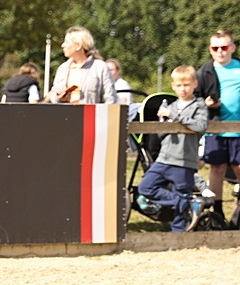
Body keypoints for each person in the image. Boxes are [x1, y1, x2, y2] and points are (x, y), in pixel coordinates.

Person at [135, 66, 209, 231]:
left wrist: (174, 117)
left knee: (180, 204)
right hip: (164, 158)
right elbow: (161, 135)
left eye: (186, 85)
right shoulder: (172, 106)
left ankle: (179, 234)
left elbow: (200, 125)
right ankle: (183, 202)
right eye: (179, 85)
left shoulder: (199, 106)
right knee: (145, 187)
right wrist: (165, 124)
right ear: (173, 86)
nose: (183, 89)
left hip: (184, 160)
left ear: (195, 84)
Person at [196, 29, 240, 210]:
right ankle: (217, 211)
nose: (220, 51)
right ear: (210, 50)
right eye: (215, 48)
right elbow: (193, 98)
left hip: (238, 128)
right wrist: (206, 104)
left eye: (224, 47)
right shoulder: (204, 72)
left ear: (232, 48)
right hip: (214, 127)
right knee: (217, 168)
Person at [45, 27, 117, 104]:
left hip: (91, 112)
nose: (63, 45)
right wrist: (58, 97)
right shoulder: (62, 68)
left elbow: (110, 99)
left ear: (78, 45)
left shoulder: (100, 67)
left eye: (66, 42)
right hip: (66, 112)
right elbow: (53, 96)